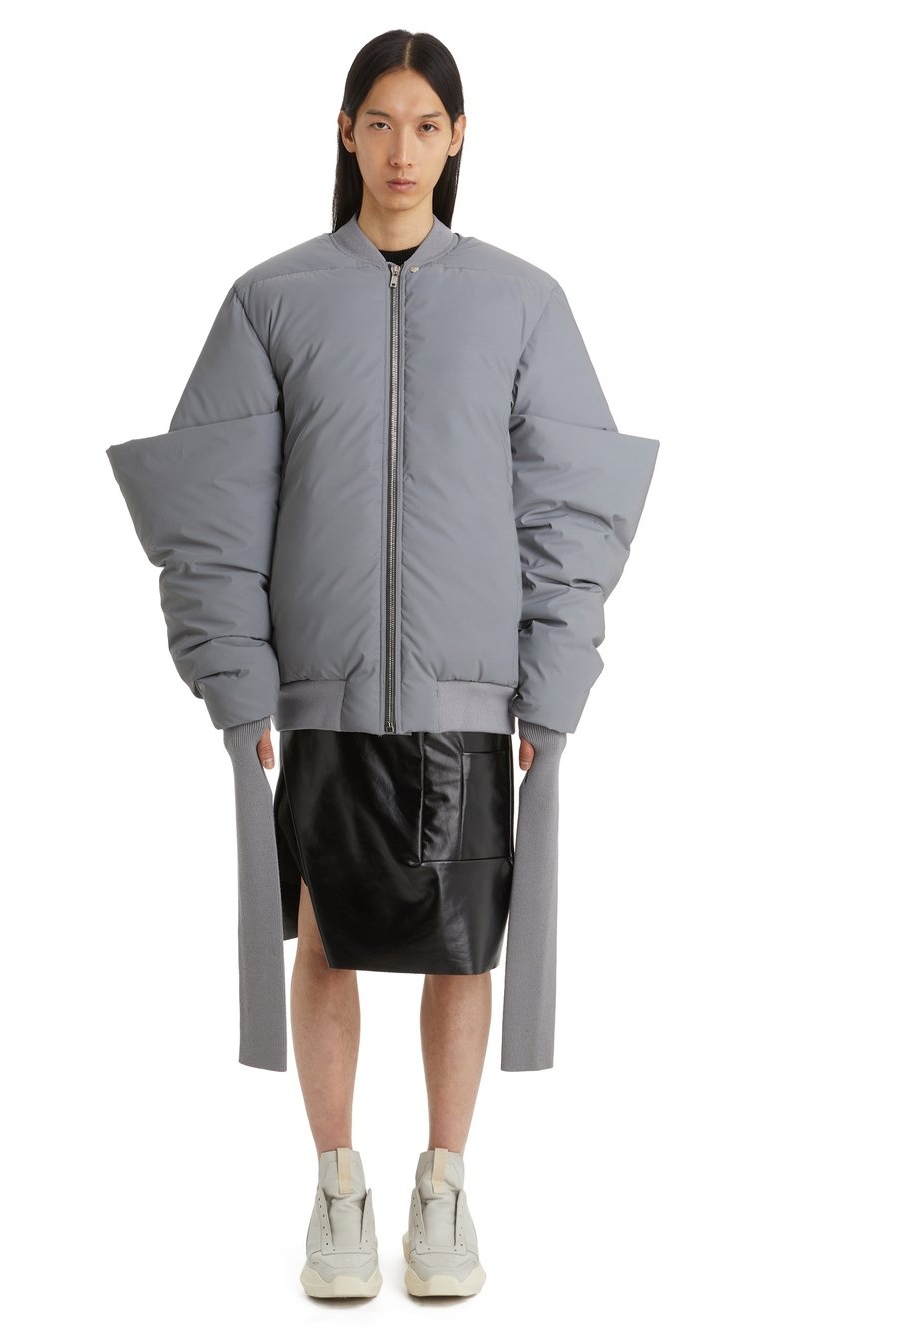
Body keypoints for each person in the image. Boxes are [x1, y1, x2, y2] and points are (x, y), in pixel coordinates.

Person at [106, 28, 659, 1301]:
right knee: (327, 933)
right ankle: (338, 1188)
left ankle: (444, 1186)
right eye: (377, 122)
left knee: (465, 948)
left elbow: (569, 510)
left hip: (469, 688)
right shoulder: (273, 299)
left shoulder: (522, 302)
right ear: (344, 134)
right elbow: (215, 509)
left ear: (456, 139)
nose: (400, 149)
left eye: (424, 124)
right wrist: (236, 675)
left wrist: (552, 679)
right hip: (325, 685)